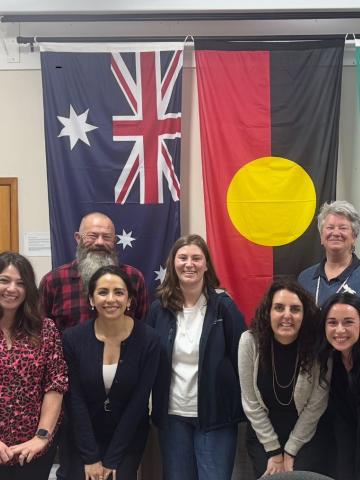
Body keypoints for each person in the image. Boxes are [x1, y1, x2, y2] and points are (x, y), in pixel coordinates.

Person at [146, 234, 247, 480]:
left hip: (216, 418)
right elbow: (148, 363)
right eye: (183, 258)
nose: (189, 264)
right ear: (173, 264)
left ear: (206, 265)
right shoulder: (159, 309)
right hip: (173, 418)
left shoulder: (225, 307)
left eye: (196, 258)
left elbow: (242, 360)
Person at [62, 265, 161, 480]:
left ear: (129, 300)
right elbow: (75, 401)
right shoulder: (72, 339)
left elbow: (138, 402)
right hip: (82, 434)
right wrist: (90, 457)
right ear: (91, 299)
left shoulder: (149, 339)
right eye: (103, 292)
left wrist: (113, 458)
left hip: (128, 434)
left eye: (118, 292)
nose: (111, 299)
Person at [238, 279, 332, 479]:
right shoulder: (249, 342)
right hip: (263, 435)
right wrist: (274, 451)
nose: (287, 315)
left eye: (295, 309)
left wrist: (290, 450)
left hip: (306, 434)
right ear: (268, 312)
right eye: (279, 308)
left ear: (304, 315)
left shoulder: (319, 346)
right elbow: (251, 403)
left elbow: (317, 405)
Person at [0, 252, 68, 480]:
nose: (12, 289)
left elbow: (56, 383)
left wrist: (41, 437)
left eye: (20, 283)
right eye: (4, 280)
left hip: (34, 449)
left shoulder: (44, 329)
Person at [39, 212, 149, 334]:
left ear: (115, 240)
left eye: (107, 237)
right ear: (78, 238)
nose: (100, 242)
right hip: (69, 353)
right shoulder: (53, 281)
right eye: (92, 235)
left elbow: (143, 327)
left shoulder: (134, 278)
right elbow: (41, 332)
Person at [318, 292, 360, 480]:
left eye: (348, 322)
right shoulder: (332, 363)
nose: (339, 330)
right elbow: (344, 427)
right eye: (332, 322)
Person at [298, 200, 360, 307]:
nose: (335, 233)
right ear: (321, 236)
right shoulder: (305, 278)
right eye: (330, 227)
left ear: (354, 237)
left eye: (343, 228)